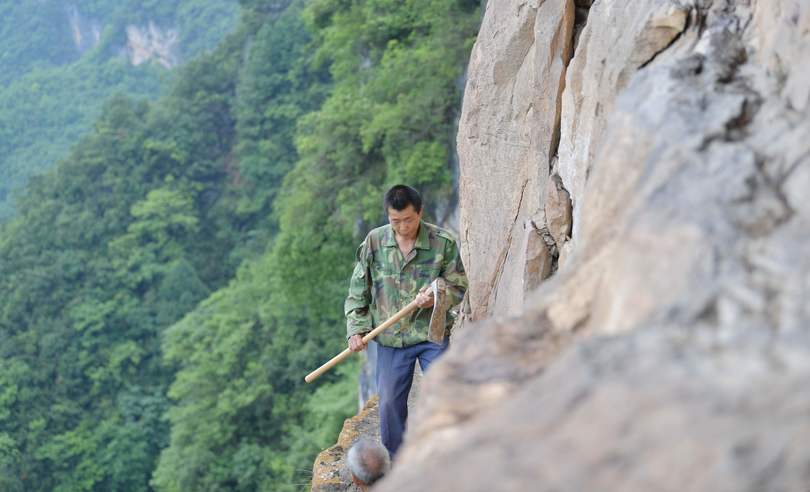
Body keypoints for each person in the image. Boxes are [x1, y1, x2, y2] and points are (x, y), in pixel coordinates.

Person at [345, 184, 467, 458]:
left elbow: (459, 286)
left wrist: (437, 296)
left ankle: (448, 452)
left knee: (444, 389)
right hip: (391, 339)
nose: (402, 227)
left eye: (408, 220)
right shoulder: (375, 242)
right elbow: (357, 293)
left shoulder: (442, 242)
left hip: (430, 335)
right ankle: (398, 465)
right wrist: (356, 330)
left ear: (420, 212)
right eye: (395, 221)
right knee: (389, 404)